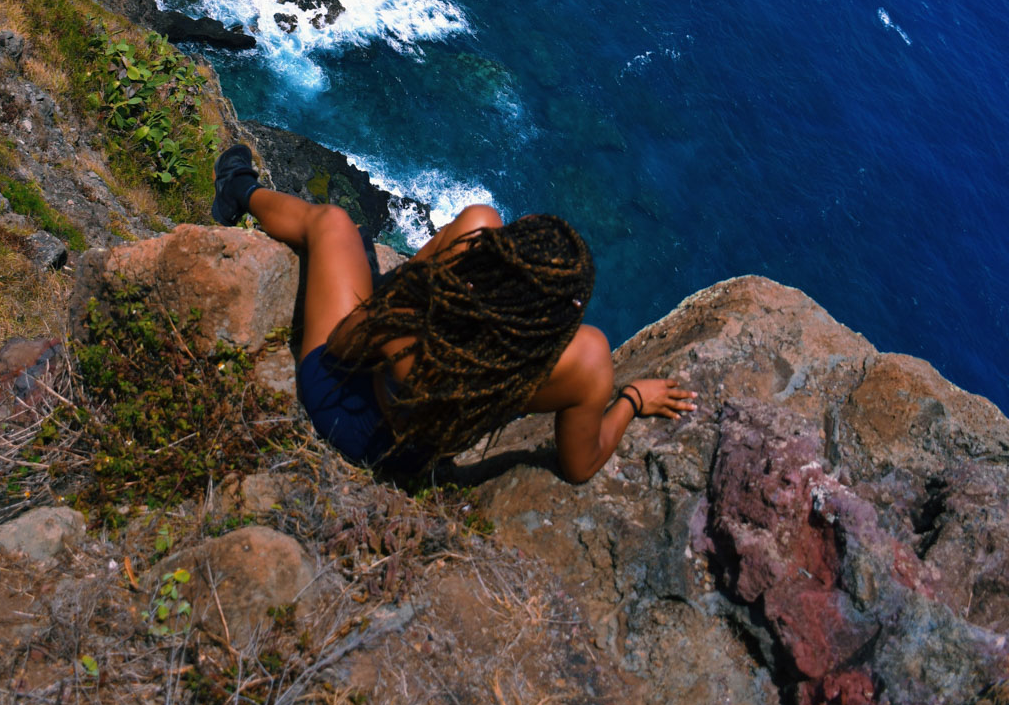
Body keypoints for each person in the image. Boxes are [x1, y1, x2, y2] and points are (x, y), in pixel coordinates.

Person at [212, 144, 697, 481]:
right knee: (480, 218)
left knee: (333, 223)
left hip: (347, 410)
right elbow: (579, 465)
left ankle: (237, 190)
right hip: (409, 451)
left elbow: (344, 343)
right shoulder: (586, 361)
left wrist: (417, 291)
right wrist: (631, 400)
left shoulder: (424, 333)